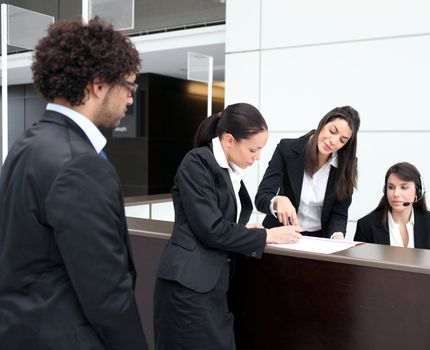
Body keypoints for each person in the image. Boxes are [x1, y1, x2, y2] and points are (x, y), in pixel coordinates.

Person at [0, 18, 148, 349]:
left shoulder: (27, 143)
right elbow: (107, 292)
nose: (129, 100)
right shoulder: (79, 164)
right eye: (129, 87)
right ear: (98, 85)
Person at [154, 103, 302, 350]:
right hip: (188, 286)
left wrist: (248, 231)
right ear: (230, 140)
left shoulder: (228, 171)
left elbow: (222, 223)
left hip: (213, 286)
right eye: (253, 150)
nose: (257, 157)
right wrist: (267, 235)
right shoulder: (197, 163)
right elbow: (210, 229)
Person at [255, 106, 360, 239]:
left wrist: (337, 236)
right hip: (280, 233)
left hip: (318, 239)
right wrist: (277, 201)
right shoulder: (287, 149)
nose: (333, 141)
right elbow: (261, 197)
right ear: (323, 123)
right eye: (332, 131)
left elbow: (339, 213)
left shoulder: (346, 165)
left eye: (342, 140)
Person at [354, 162, 430, 250]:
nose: (396, 194)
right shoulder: (366, 225)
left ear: (417, 192)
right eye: (391, 187)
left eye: (403, 187)